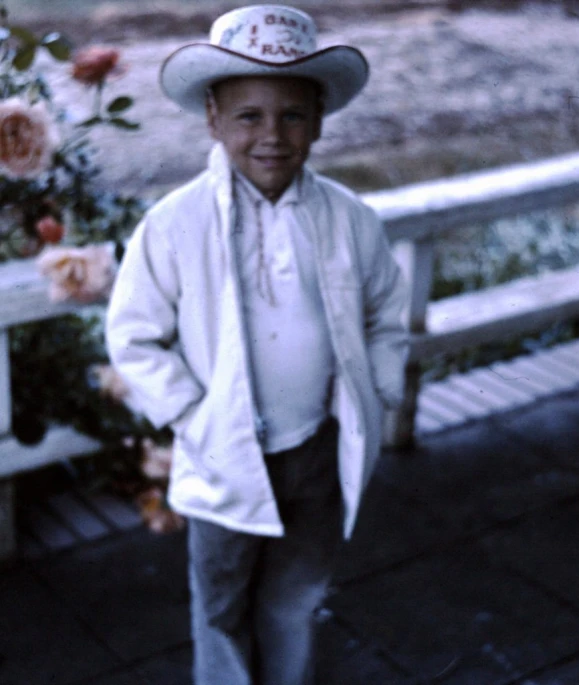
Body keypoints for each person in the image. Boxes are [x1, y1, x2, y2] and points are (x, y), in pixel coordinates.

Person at [106, 5, 408, 684]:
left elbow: (387, 309)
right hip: (223, 459)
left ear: (320, 120)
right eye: (248, 115)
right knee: (220, 603)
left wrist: (376, 387)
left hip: (315, 449)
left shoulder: (348, 219)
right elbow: (132, 334)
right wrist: (193, 415)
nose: (271, 135)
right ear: (212, 118)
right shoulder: (174, 224)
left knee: (296, 597)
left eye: (292, 115)